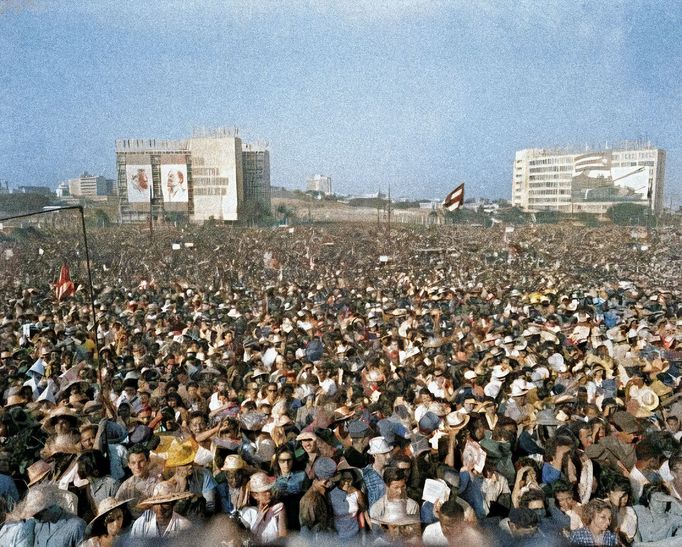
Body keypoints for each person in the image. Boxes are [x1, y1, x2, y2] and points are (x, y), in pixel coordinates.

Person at [239, 472, 287, 543]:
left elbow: (283, 536)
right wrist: (258, 519)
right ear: (255, 495)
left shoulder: (278, 509)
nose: (269, 493)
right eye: (265, 491)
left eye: (269, 490)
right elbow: (247, 539)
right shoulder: (248, 513)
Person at [329, 464, 368, 539]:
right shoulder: (331, 495)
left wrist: (363, 535)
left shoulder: (357, 493)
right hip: (338, 536)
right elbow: (329, 518)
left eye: (349, 479)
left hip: (355, 534)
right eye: (343, 479)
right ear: (339, 479)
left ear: (353, 480)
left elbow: (361, 514)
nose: (346, 482)